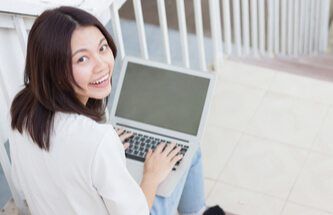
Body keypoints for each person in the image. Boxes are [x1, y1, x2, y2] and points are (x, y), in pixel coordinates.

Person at [9, 6, 224, 215]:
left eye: (102, 48)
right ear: (54, 69)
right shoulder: (97, 140)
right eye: (82, 58)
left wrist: (99, 159)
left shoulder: (21, 111)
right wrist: (151, 176)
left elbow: (23, 187)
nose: (102, 65)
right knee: (187, 152)